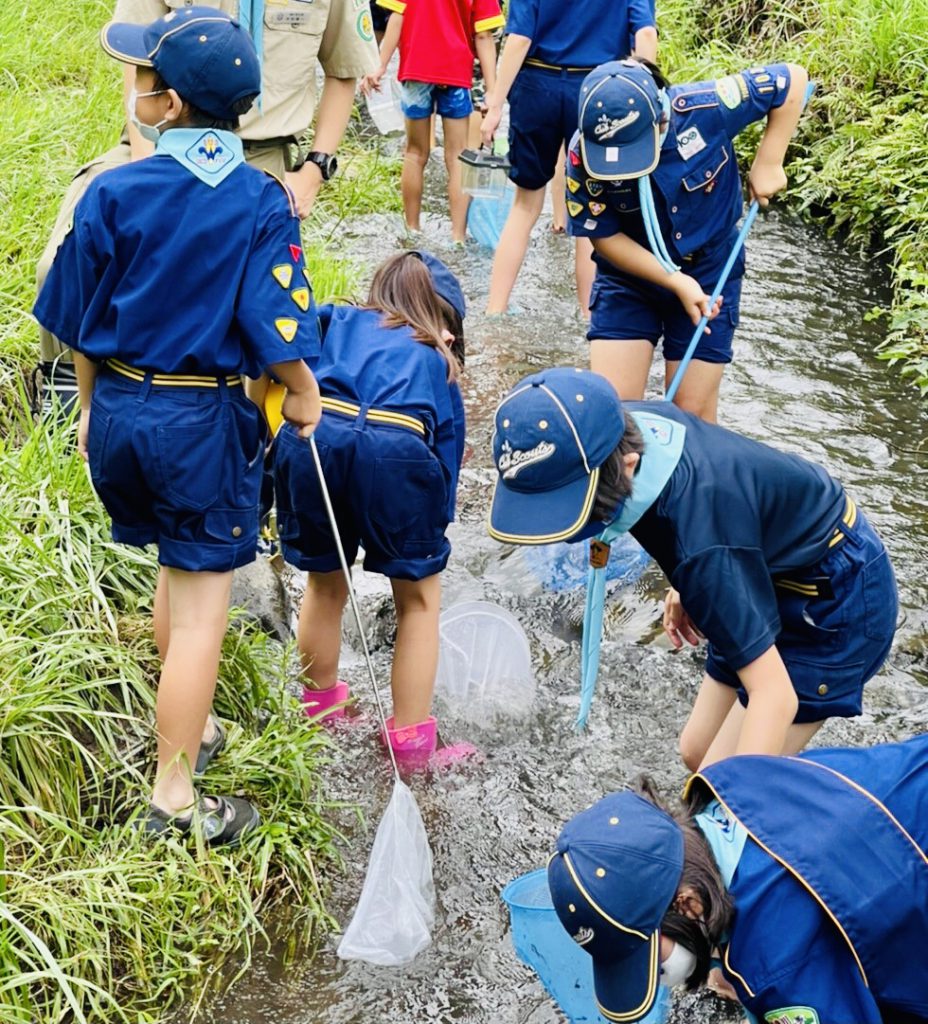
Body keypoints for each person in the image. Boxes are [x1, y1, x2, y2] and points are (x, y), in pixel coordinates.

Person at [33, 8, 322, 844]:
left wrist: (90, 411)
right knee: (202, 612)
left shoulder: (113, 191)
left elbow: (77, 322)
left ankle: (181, 721)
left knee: (172, 572)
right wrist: (301, 393)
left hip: (121, 410)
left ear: (165, 104)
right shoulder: (260, 199)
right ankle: (174, 798)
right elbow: (277, 324)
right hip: (200, 421)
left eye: (143, 78)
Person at [487, 368, 898, 767]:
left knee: (723, 787)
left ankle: (807, 812)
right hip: (760, 561)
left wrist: (730, 814)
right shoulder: (615, 425)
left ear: (627, 466)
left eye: (568, 506)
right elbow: (713, 507)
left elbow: (775, 696)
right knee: (696, 752)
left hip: (835, 599)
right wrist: (688, 583)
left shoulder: (704, 550)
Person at [35, 0, 377, 413]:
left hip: (260, 155)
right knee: (58, 266)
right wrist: (149, 169)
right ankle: (73, 407)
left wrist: (314, 170)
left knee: (256, 292)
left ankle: (246, 430)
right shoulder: (120, 183)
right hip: (157, 138)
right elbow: (138, 57)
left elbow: (345, 69)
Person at [546, 734, 928, 1024]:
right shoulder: (725, 782)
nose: (662, 978)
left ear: (689, 903)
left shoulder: (771, 969)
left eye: (653, 959)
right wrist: (718, 954)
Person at [264, 252, 472, 770]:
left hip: (315, 437)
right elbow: (447, 453)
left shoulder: (337, 318)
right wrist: (428, 540)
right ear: (446, 319)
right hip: (397, 450)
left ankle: (321, 707)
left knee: (325, 583)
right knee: (419, 603)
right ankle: (409, 744)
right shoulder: (436, 355)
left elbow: (281, 342)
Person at [564, 58, 808, 422]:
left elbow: (792, 80)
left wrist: (769, 161)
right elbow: (603, 236)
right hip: (628, 277)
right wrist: (674, 281)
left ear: (661, 118)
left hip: (710, 271)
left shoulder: (708, 107)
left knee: (691, 415)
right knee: (614, 416)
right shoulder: (583, 153)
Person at [480, 0, 658, 317]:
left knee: (524, 206)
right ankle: (589, 318)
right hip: (599, 92)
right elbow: (644, 34)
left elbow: (519, 39)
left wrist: (495, 106)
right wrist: (648, 102)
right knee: (591, 211)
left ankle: (495, 309)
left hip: (537, 86)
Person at [364, 0, 504, 243]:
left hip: (416, 69)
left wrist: (380, 66)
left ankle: (412, 229)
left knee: (415, 154)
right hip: (456, 71)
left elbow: (397, 17)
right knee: (458, 156)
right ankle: (457, 237)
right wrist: (493, 91)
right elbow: (483, 35)